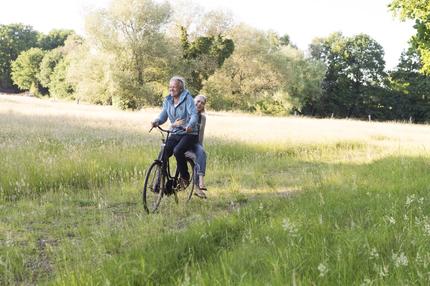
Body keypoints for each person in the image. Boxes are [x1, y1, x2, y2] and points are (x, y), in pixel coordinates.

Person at [151, 76, 198, 187]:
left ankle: (184, 177)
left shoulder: (188, 99)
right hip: (175, 133)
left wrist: (190, 125)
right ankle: (159, 182)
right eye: (170, 87)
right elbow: (163, 115)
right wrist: (157, 121)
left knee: (178, 151)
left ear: (181, 88)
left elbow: (194, 115)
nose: (171, 89)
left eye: (174, 87)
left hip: (189, 134)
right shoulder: (168, 100)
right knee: (164, 152)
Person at [184, 95, 208, 198]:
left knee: (201, 153)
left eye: (202, 103)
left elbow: (200, 135)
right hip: (183, 143)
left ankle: (199, 184)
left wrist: (199, 150)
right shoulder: (186, 112)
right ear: (193, 102)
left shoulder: (202, 118)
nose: (200, 104)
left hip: (194, 143)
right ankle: (198, 187)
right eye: (198, 101)